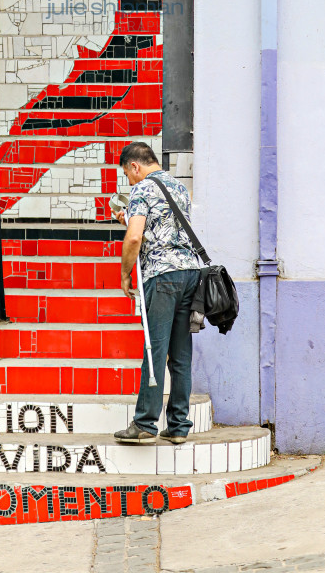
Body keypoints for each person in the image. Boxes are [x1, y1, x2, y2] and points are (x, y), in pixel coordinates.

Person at [113, 141, 201, 444]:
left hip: (161, 277)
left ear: (134, 166)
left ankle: (145, 424)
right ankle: (178, 426)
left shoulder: (141, 189)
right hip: (190, 274)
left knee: (154, 350)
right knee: (180, 355)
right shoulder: (178, 187)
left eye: (127, 174)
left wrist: (125, 274)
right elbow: (166, 227)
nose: (129, 180)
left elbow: (135, 236)